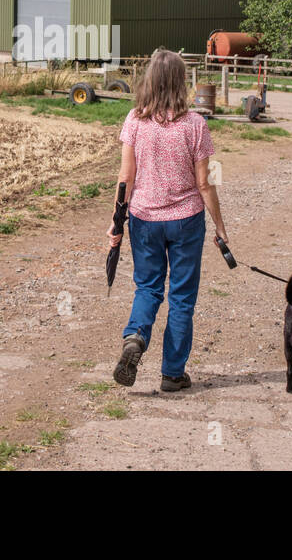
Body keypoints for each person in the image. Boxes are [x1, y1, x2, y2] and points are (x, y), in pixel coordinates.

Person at [107, 50, 227, 391]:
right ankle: (172, 373)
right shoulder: (195, 125)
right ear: (180, 83)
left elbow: (125, 177)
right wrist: (220, 227)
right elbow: (204, 183)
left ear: (150, 81)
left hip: (144, 218)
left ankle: (135, 336)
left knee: (148, 286)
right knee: (182, 297)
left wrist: (116, 221)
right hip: (187, 220)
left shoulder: (134, 120)